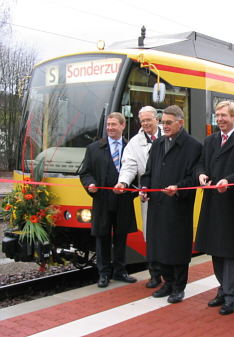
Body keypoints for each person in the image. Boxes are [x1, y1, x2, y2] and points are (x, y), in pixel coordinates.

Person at [195, 100, 234, 315]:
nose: (220, 119)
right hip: (212, 202)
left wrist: (227, 181)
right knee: (215, 249)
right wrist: (201, 174)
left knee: (230, 252)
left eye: (224, 115)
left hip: (232, 204)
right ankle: (222, 289)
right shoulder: (210, 140)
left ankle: (231, 296)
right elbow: (201, 163)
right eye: (217, 115)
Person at [139, 105, 202, 304]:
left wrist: (178, 188)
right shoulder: (157, 144)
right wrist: (144, 188)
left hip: (178, 206)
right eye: (162, 122)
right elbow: (148, 172)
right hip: (157, 204)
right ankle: (167, 283)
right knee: (159, 247)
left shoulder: (193, 146)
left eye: (168, 122)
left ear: (180, 123)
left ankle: (178, 287)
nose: (164, 126)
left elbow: (194, 179)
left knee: (176, 248)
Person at [80, 112, 137, 288]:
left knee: (121, 237)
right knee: (102, 237)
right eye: (108, 125)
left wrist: (133, 191)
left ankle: (120, 271)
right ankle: (103, 274)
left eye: (114, 124)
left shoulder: (131, 147)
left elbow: (139, 171)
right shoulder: (94, 148)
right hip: (102, 201)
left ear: (122, 126)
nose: (110, 128)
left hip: (123, 201)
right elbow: (85, 172)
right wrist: (90, 184)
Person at [114, 106, 163, 289]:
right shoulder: (134, 143)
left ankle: (170, 273)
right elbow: (129, 166)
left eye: (148, 120)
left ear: (156, 119)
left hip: (169, 193)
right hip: (147, 194)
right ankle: (155, 274)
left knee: (168, 233)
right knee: (150, 234)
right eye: (142, 121)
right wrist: (123, 183)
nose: (145, 124)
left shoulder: (167, 136)